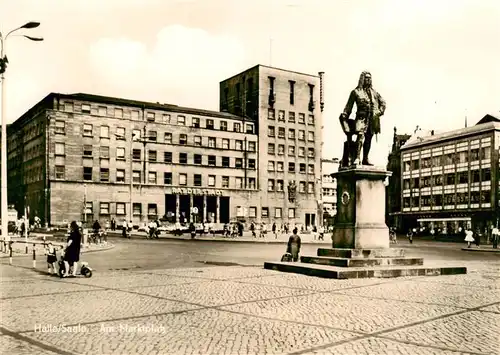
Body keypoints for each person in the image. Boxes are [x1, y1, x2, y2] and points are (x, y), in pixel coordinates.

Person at [340, 71, 386, 166]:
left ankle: (365, 158)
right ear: (362, 79)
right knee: (360, 136)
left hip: (373, 119)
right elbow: (349, 106)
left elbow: (383, 103)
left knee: (369, 138)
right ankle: (357, 158)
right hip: (361, 118)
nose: (368, 80)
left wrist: (379, 112)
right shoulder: (356, 92)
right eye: (366, 78)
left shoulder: (374, 92)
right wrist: (345, 116)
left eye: (370, 78)